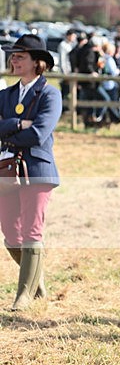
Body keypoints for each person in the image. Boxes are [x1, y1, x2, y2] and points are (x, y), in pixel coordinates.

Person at [0, 35, 62, 311]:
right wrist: (18, 123)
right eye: (13, 55)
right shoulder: (4, 95)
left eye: (20, 56)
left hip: (37, 168)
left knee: (31, 230)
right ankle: (37, 280)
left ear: (38, 63)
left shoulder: (50, 94)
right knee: (10, 233)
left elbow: (39, 134)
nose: (13, 59)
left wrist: (9, 129)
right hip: (6, 168)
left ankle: (23, 296)